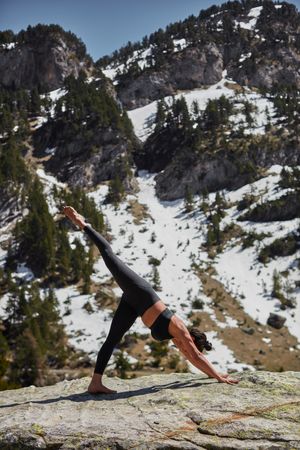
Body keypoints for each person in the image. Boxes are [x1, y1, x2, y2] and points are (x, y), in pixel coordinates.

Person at [63, 206, 239, 394]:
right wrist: (219, 377)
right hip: (140, 291)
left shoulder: (178, 338)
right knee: (108, 255)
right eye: (187, 349)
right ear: (191, 341)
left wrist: (214, 374)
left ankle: (95, 383)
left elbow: (193, 357)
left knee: (112, 340)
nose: (184, 351)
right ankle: (82, 223)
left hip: (134, 305)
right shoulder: (180, 330)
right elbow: (195, 356)